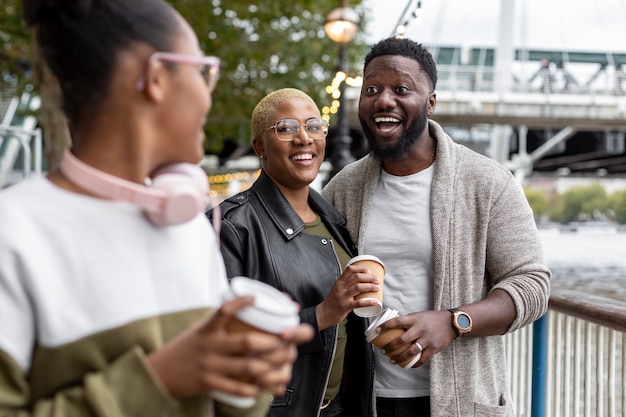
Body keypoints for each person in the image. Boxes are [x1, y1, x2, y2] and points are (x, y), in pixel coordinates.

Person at [0, 1, 312, 416]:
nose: (208, 92)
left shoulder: (188, 226)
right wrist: (161, 379)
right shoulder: (13, 235)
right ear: (158, 77)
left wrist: (247, 377)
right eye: (203, 71)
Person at [322, 37, 551, 417]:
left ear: (431, 102)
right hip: (362, 401)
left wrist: (454, 321)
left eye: (402, 89)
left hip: (460, 404)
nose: (383, 100)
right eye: (371, 89)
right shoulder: (342, 188)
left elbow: (532, 286)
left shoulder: (488, 182)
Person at [206, 88, 376, 417]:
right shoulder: (231, 226)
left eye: (313, 126)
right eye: (286, 128)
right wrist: (323, 314)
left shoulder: (334, 221)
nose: (304, 138)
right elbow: (218, 339)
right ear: (260, 146)